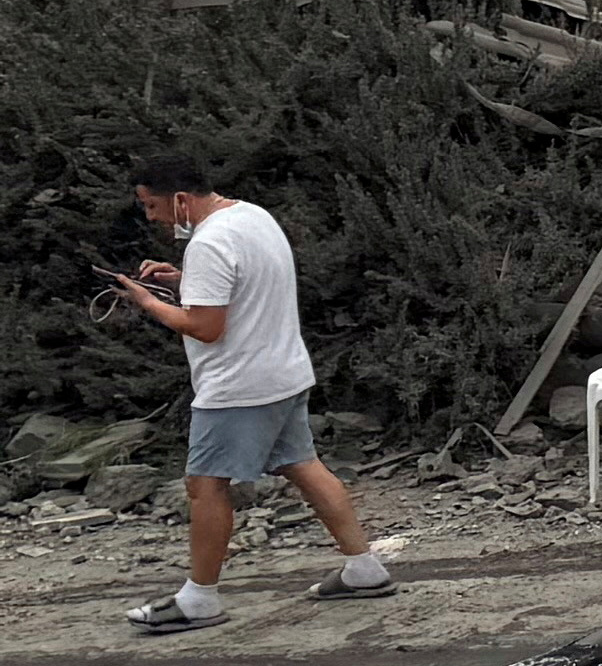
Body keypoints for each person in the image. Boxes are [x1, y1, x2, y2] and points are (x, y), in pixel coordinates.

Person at [111, 162, 396, 636]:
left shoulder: (207, 241)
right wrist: (181, 283)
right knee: (303, 464)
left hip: (237, 386)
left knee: (205, 486)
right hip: (283, 372)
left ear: (181, 199)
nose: (152, 218)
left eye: (152, 205)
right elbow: (243, 288)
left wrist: (147, 302)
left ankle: (199, 599)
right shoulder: (252, 216)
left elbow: (205, 327)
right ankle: (364, 569)